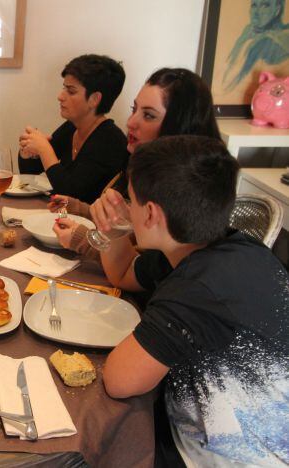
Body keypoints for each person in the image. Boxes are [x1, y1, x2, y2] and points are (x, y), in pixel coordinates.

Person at [99, 136, 289, 466]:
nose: (126, 208)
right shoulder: (212, 246)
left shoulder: (197, 287)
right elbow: (123, 275)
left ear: (151, 214)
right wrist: (114, 229)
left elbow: (119, 381)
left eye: (130, 201)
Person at [50, 68, 221, 256]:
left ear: (179, 126)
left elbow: (141, 264)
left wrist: (84, 239)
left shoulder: (184, 194)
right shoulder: (141, 168)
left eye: (148, 115)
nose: (131, 122)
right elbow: (126, 222)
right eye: (134, 110)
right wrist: (80, 208)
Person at [18, 54, 128, 204]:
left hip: (90, 225)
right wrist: (28, 150)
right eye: (64, 88)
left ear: (94, 99)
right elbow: (30, 172)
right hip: (64, 218)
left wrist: (44, 150)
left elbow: (71, 193)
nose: (60, 96)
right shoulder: (72, 127)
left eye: (71, 91)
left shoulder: (110, 140)